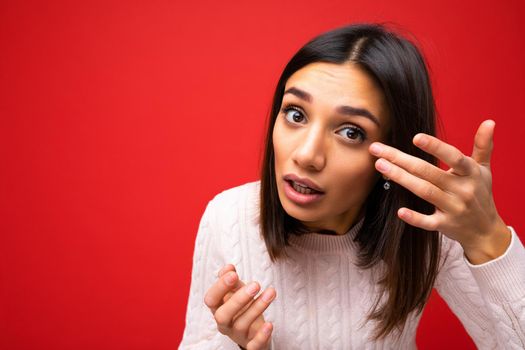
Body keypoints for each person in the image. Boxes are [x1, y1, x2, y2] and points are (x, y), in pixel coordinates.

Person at [179, 23, 525, 349]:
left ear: (393, 153)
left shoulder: (430, 229)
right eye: (296, 114)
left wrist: (489, 240)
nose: (307, 155)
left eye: (351, 132)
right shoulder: (228, 218)